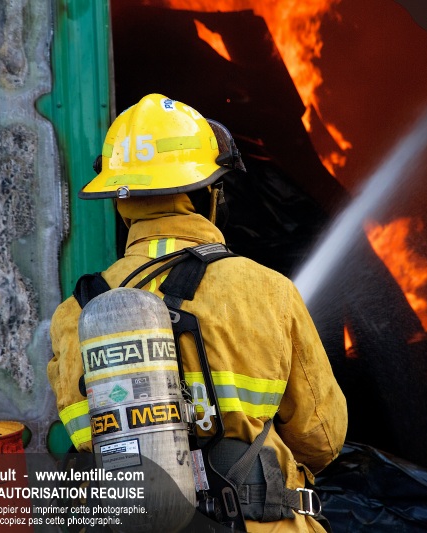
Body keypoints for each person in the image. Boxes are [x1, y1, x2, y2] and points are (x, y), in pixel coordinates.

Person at [47, 93, 347, 532]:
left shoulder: (76, 312)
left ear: (120, 200)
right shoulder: (268, 290)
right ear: (209, 193)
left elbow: (89, 440)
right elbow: (321, 438)